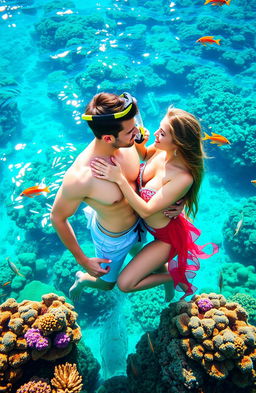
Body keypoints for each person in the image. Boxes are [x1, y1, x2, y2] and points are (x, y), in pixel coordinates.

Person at [50, 92, 182, 300]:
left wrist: (178, 201)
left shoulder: (127, 143)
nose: (137, 134)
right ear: (108, 138)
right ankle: (82, 280)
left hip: (141, 223)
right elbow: (57, 217)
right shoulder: (81, 177)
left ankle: (167, 280)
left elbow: (154, 162)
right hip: (113, 239)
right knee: (107, 285)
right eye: (131, 131)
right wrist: (82, 260)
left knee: (152, 263)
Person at [90, 107, 219, 299]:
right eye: (160, 128)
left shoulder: (183, 177)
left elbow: (147, 211)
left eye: (163, 133)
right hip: (145, 226)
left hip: (165, 238)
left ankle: (171, 277)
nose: (156, 134)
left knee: (125, 284)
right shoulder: (162, 151)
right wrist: (139, 143)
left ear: (178, 143)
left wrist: (118, 178)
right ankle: (164, 272)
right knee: (141, 257)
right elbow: (143, 155)